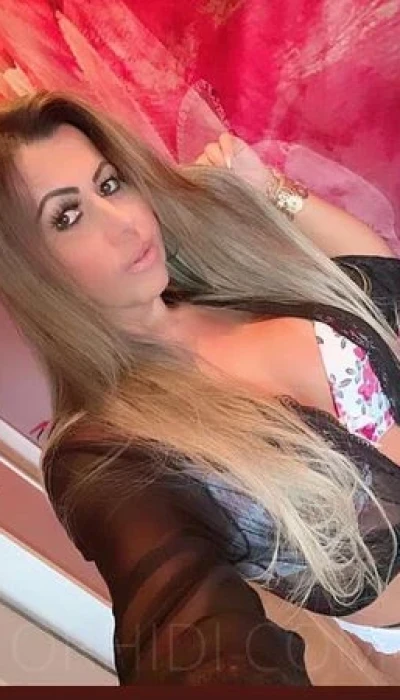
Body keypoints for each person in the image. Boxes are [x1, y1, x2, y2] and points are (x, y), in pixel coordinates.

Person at [1, 90, 400, 686]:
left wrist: (267, 189)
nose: (125, 222)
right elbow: (188, 630)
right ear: (28, 271)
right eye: (67, 216)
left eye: (109, 184)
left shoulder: (221, 277)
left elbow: (379, 286)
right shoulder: (105, 454)